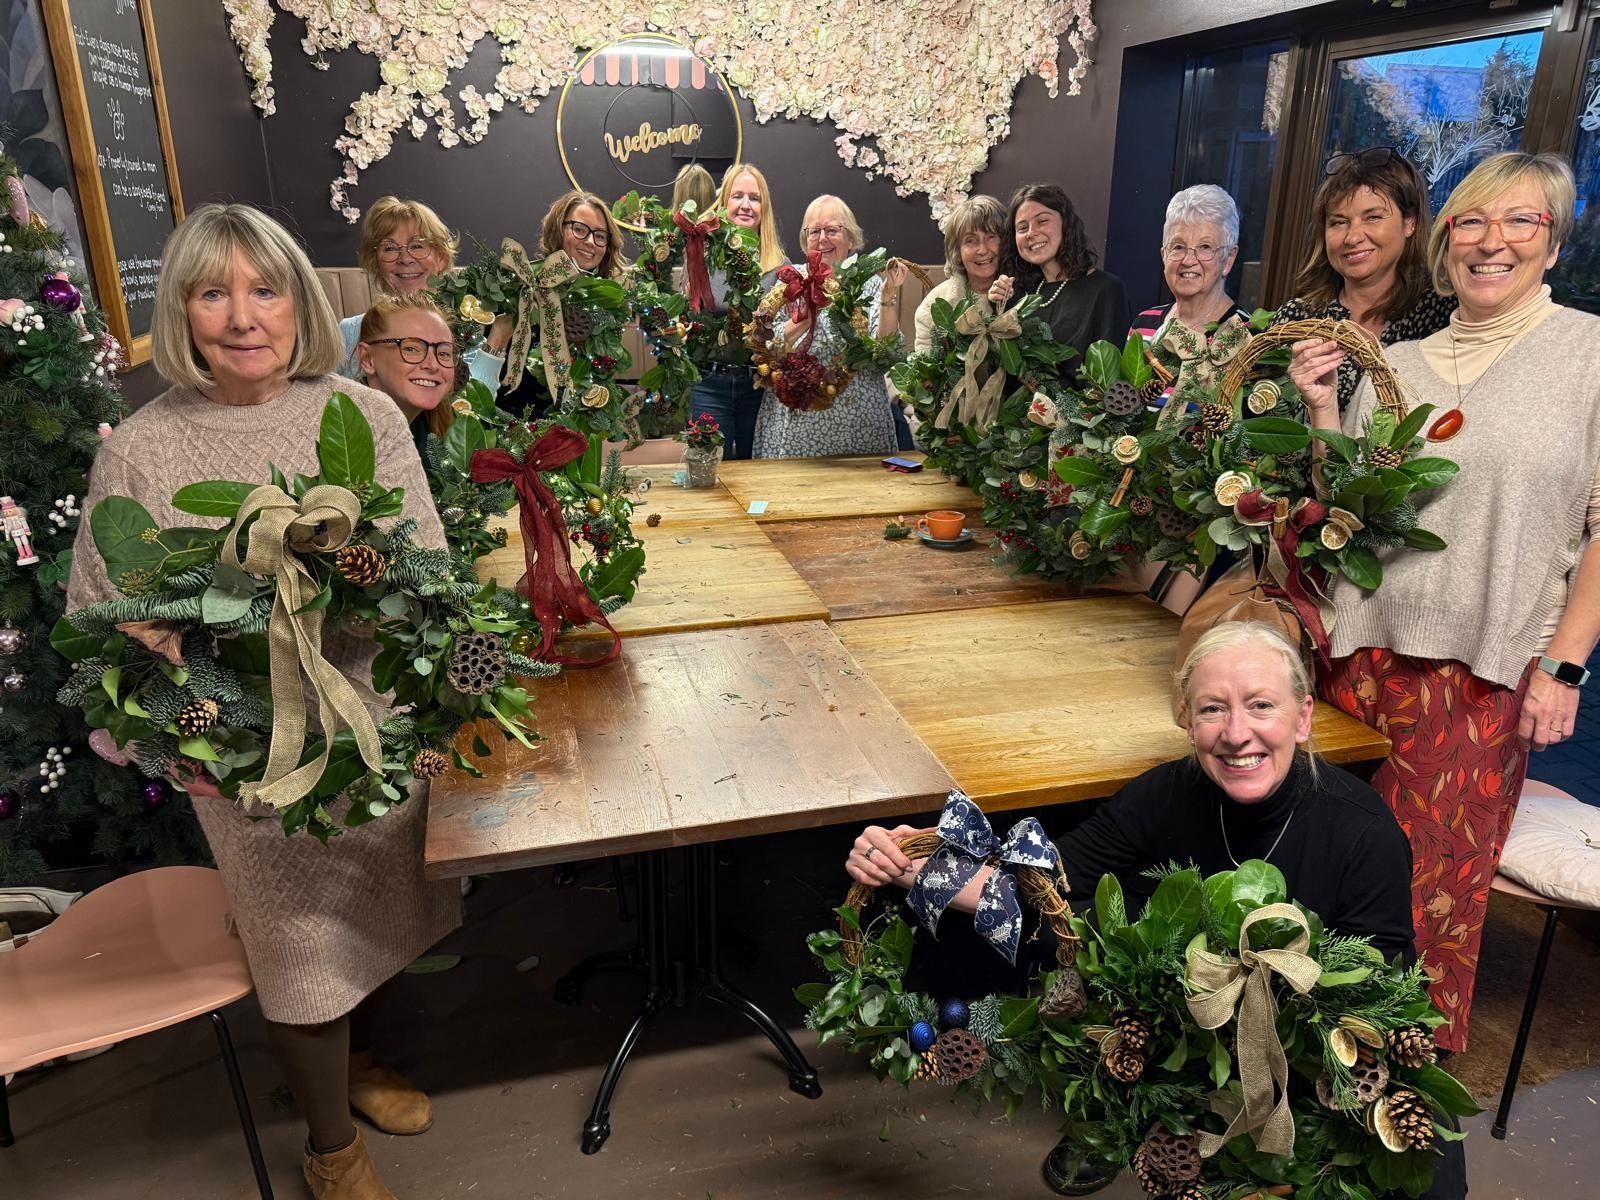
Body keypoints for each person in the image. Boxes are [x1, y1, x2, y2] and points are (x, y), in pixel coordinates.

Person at [67, 204, 457, 1200]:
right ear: (184, 314)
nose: (242, 317)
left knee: (376, 914)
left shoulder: (360, 415)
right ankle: (331, 1148)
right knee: (299, 950)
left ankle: (354, 1066)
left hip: (371, 714)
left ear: (301, 301)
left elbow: (428, 571)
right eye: (212, 292)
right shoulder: (144, 452)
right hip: (244, 741)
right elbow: (107, 619)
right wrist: (190, 721)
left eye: (264, 288)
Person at [847, 622, 1464, 1199]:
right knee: (1079, 932)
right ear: (1187, 721)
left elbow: (1378, 983)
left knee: (1424, 1176)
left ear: (1302, 718)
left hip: (1303, 1043)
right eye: (1212, 708)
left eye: (1261, 705)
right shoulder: (1166, 792)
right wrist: (922, 863)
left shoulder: (1364, 832)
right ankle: (1111, 1121)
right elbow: (1049, 877)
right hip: (1161, 1017)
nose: (1236, 732)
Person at [1293, 151, 1600, 1055]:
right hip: (1358, 656)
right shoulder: (1401, 364)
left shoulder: (1589, 355)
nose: (1492, 241)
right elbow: (1347, 503)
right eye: (1471, 221)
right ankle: (1303, 1061)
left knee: (1428, 892)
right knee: (1327, 870)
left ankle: (1389, 1088)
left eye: (1521, 223)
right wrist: (1319, 408)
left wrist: (1564, 665)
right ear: (1446, 241)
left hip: (1484, 673)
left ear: (1554, 243)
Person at [1277, 148, 1454, 414]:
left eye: (1372, 217)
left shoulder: (1443, 316)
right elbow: (1258, 422)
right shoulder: (1296, 317)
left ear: (1410, 223)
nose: (1352, 237)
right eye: (1338, 222)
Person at [751, 194, 909, 458]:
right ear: (805, 239)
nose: (822, 238)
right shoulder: (790, 282)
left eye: (832, 230)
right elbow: (765, 347)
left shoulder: (868, 284)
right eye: (814, 231)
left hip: (860, 426)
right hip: (795, 428)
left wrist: (888, 298)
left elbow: (885, 353)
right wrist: (802, 322)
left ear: (850, 239)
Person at [336, 195, 507, 391]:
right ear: (375, 262)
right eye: (390, 248)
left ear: (441, 257)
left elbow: (473, 409)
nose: (405, 259)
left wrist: (498, 339)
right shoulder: (350, 332)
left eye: (417, 245)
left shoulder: (464, 333)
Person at [676, 163, 785, 460]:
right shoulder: (701, 255)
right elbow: (685, 318)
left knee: (760, 478)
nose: (746, 205)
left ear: (765, 207)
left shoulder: (779, 267)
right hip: (708, 384)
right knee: (706, 472)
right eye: (738, 196)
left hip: (759, 388)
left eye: (755, 197)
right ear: (725, 203)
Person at [987, 183, 1129, 367]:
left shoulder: (1106, 289)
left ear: (1066, 223)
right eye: (1022, 228)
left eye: (1042, 221)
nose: (1031, 233)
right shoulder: (1019, 295)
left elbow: (1109, 375)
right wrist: (998, 306)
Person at [1131, 184, 1250, 348]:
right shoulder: (1143, 324)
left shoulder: (1249, 336)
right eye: (1178, 247)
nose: (1188, 260)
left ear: (1229, 258)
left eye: (1205, 247)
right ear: (1164, 255)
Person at [355, 292, 457, 457]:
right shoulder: (345, 437)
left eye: (444, 353)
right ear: (367, 359)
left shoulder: (436, 429)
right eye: (411, 349)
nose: (432, 364)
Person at [913, 194, 1006, 354]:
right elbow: (926, 371)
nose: (982, 250)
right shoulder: (934, 305)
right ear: (957, 250)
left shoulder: (1026, 294)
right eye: (971, 240)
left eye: (991, 237)